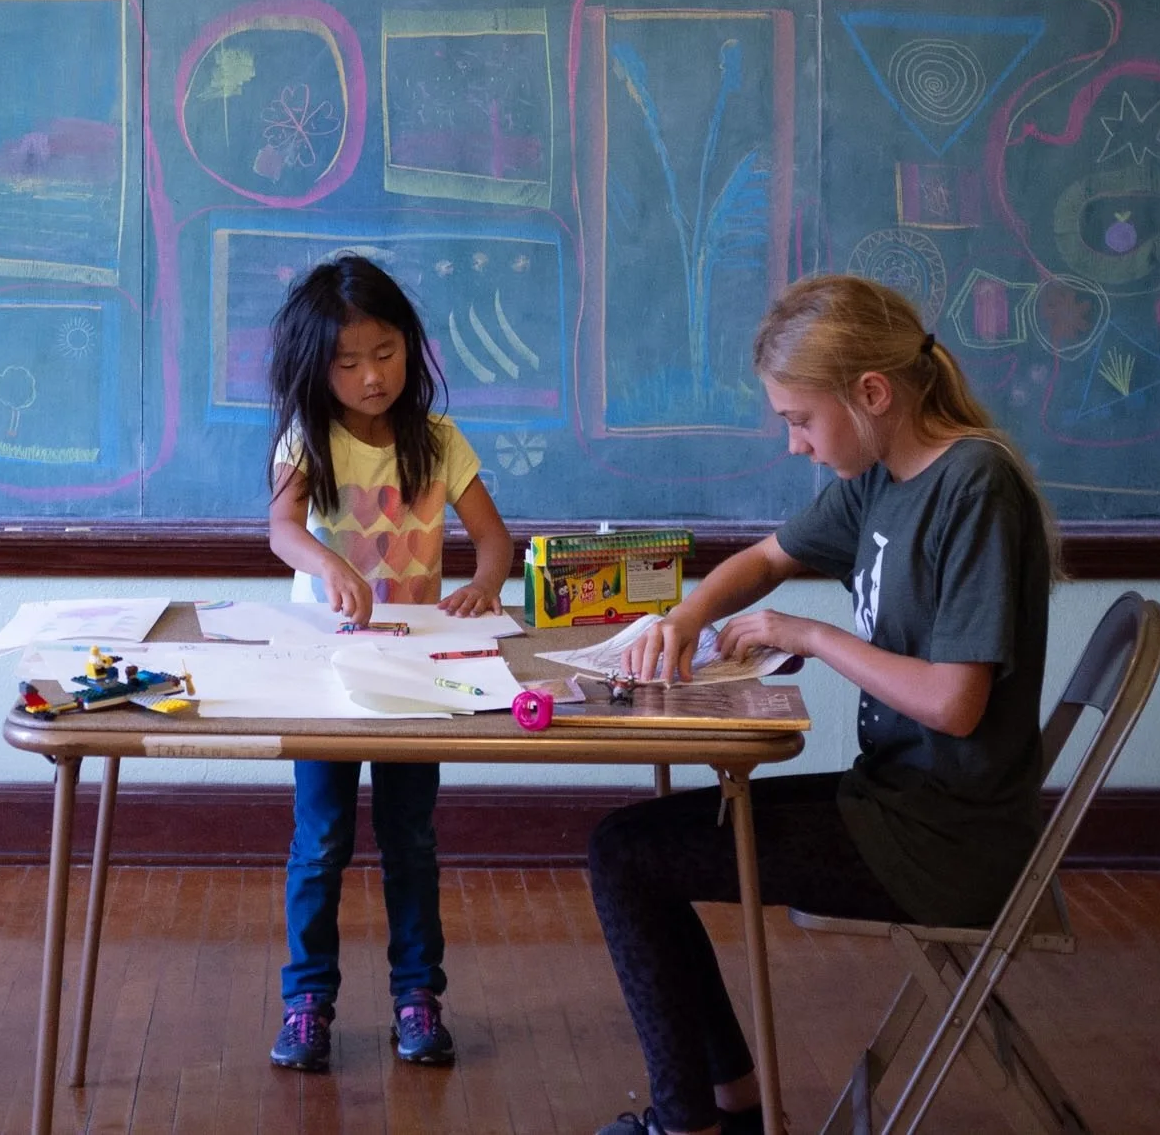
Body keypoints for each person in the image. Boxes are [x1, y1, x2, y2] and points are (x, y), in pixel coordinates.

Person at [588, 274, 1056, 1135]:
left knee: (627, 858)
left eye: (800, 420)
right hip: (895, 801)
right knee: (628, 847)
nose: (797, 445)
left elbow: (954, 705)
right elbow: (765, 560)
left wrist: (809, 637)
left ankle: (688, 1119)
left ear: (871, 394)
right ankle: (722, 1101)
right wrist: (688, 615)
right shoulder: (884, 474)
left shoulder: (973, 488)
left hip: (944, 843)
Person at [261, 255, 515, 1073]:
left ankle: (418, 997)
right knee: (322, 839)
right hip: (326, 673)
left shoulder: (436, 440)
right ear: (316, 367)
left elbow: (495, 541)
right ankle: (307, 1004)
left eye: (386, 353)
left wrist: (482, 584)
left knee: (410, 838)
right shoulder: (310, 438)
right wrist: (327, 565)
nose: (372, 376)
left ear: (410, 346)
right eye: (347, 362)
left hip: (417, 674)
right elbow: (281, 530)